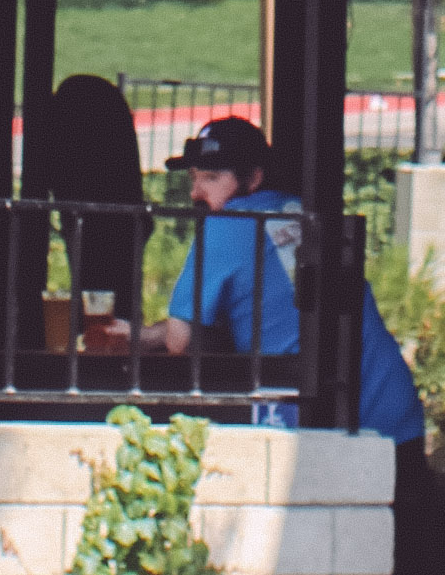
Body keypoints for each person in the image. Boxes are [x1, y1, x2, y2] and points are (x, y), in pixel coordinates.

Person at [149, 117, 425, 445]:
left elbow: (180, 341)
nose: (196, 192)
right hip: (394, 410)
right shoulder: (298, 210)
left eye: (211, 177)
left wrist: (154, 337)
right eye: (193, 177)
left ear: (253, 178)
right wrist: (151, 334)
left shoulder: (225, 224)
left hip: (325, 424)